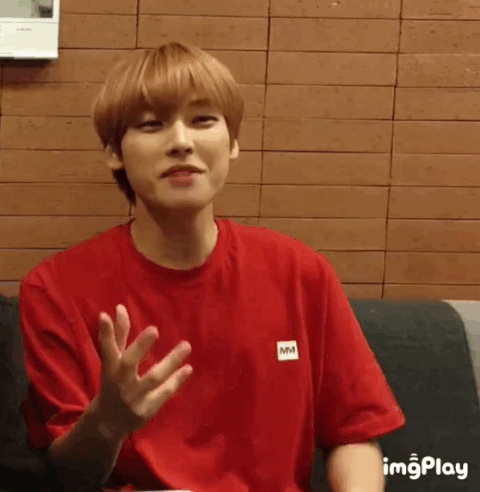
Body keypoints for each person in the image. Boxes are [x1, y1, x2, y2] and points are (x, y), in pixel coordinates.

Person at [18, 41, 406, 492]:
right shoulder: (55, 288)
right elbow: (64, 477)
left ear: (233, 142)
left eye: (203, 120)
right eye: (151, 124)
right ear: (114, 152)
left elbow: (354, 435)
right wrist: (107, 423)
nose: (181, 142)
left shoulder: (300, 273)